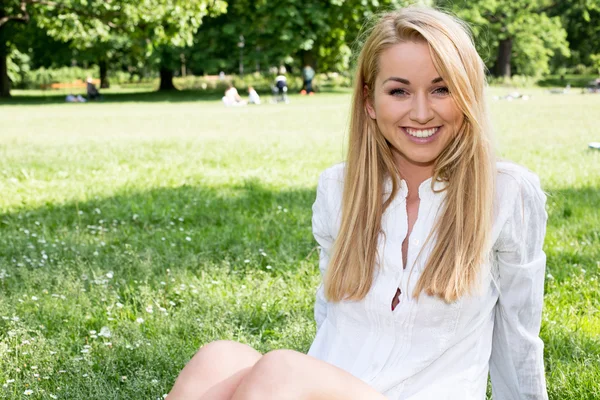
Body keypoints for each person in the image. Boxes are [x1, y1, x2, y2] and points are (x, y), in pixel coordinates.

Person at [167, 6, 548, 400]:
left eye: (441, 89)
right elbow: (330, 318)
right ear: (370, 101)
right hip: (332, 386)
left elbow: (518, 337)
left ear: (467, 94)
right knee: (218, 358)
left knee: (281, 370)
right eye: (399, 91)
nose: (420, 112)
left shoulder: (507, 193)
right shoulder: (339, 187)